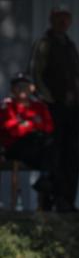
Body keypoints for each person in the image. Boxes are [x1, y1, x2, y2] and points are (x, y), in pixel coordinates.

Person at [30, 4, 79, 212]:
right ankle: (51, 201)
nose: (62, 21)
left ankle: (68, 201)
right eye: (59, 17)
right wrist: (50, 100)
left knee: (72, 155)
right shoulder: (45, 43)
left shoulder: (70, 45)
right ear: (51, 19)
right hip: (55, 109)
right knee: (54, 154)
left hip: (74, 109)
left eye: (66, 17)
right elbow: (35, 73)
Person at [0, 72, 59, 210]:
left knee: (51, 146)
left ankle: (45, 183)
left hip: (36, 147)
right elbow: (11, 129)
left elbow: (49, 127)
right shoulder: (7, 106)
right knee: (48, 151)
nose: (22, 89)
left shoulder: (39, 106)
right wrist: (34, 124)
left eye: (25, 85)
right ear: (12, 89)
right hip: (15, 148)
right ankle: (45, 183)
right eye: (18, 86)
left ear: (32, 88)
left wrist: (25, 124)